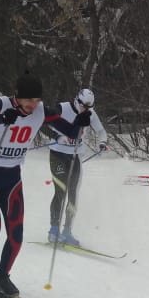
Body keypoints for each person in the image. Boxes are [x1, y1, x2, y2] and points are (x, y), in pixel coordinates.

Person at [0, 74, 89, 298]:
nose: (33, 105)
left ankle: (1, 278)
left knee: (16, 234)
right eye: (28, 100)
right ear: (17, 96)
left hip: (12, 178)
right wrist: (1, 118)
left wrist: (80, 123)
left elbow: (69, 132)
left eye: (37, 100)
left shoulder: (40, 111)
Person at [47, 88, 108, 246]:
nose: (86, 110)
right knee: (61, 190)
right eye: (84, 106)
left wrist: (102, 142)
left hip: (75, 157)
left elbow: (101, 131)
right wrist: (57, 136)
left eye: (89, 107)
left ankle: (67, 231)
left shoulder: (90, 114)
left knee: (73, 194)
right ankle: (54, 230)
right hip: (58, 155)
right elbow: (44, 124)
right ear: (77, 101)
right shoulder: (62, 108)